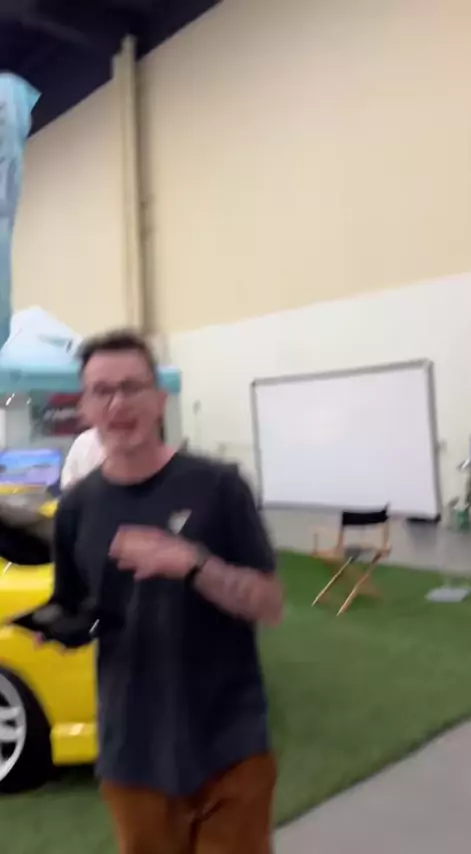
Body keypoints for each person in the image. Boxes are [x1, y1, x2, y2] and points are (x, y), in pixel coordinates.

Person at [49, 329, 283, 854]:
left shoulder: (219, 486)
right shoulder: (77, 509)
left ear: (159, 399)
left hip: (230, 746)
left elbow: (270, 605)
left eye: (132, 387)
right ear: (85, 407)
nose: (118, 404)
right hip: (131, 754)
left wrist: (193, 564)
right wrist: (64, 630)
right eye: (102, 391)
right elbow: (85, 610)